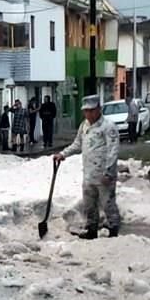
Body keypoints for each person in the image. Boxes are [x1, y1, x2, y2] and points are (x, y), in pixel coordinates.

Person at [54, 95, 121, 239]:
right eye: (86, 111)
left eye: (91, 111)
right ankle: (92, 230)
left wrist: (109, 172)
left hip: (104, 175)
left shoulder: (108, 127)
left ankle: (114, 230)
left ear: (98, 109)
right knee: (89, 205)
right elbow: (77, 144)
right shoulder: (84, 125)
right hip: (89, 174)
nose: (88, 114)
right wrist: (63, 154)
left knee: (108, 204)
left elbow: (113, 151)